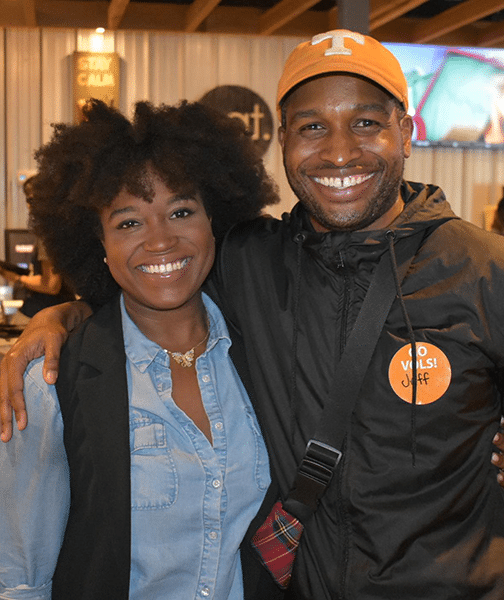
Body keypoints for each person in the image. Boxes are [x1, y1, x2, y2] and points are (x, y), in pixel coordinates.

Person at [2, 29, 504, 599]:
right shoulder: (252, 262)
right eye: (312, 127)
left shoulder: (484, 269)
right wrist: (60, 317)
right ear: (284, 140)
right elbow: (156, 273)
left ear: (406, 133)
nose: (339, 152)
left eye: (366, 123)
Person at [0, 99, 283, 599]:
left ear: (214, 219)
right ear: (99, 243)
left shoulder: (262, 350)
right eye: (129, 222)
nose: (160, 241)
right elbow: (23, 575)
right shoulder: (53, 381)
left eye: (180, 211)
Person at [0, 176, 75, 318]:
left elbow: (51, 285)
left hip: (51, 314)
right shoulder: (62, 226)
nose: (30, 205)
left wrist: (16, 277)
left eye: (33, 200)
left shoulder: (48, 231)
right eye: (29, 200)